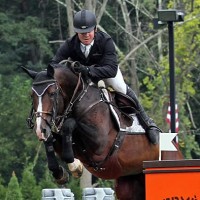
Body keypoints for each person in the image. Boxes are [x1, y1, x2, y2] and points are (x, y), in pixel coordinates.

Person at [51, 9, 161, 144]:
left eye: (88, 32)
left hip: (106, 74)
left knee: (120, 86)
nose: (86, 35)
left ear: (95, 29)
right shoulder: (70, 44)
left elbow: (111, 69)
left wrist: (88, 70)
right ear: (76, 32)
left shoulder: (105, 40)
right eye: (82, 33)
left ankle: (148, 123)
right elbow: (54, 64)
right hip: (84, 79)